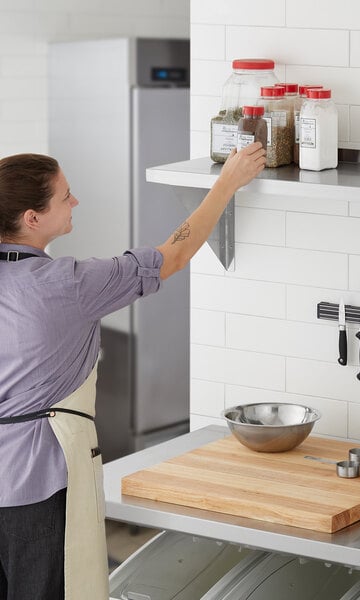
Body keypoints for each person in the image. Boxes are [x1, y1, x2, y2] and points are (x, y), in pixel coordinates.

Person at [0, 142, 266, 600]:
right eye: (66, 196)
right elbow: (172, 257)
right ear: (32, 218)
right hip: (35, 485)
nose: (76, 202)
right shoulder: (67, 285)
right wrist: (227, 182)